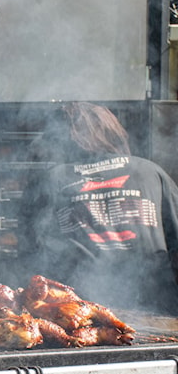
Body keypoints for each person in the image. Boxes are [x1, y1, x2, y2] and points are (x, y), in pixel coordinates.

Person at [16, 102, 178, 314]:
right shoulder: (150, 172)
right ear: (115, 133)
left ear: (60, 139)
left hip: (79, 315)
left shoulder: (48, 180)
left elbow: (29, 259)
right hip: (159, 311)